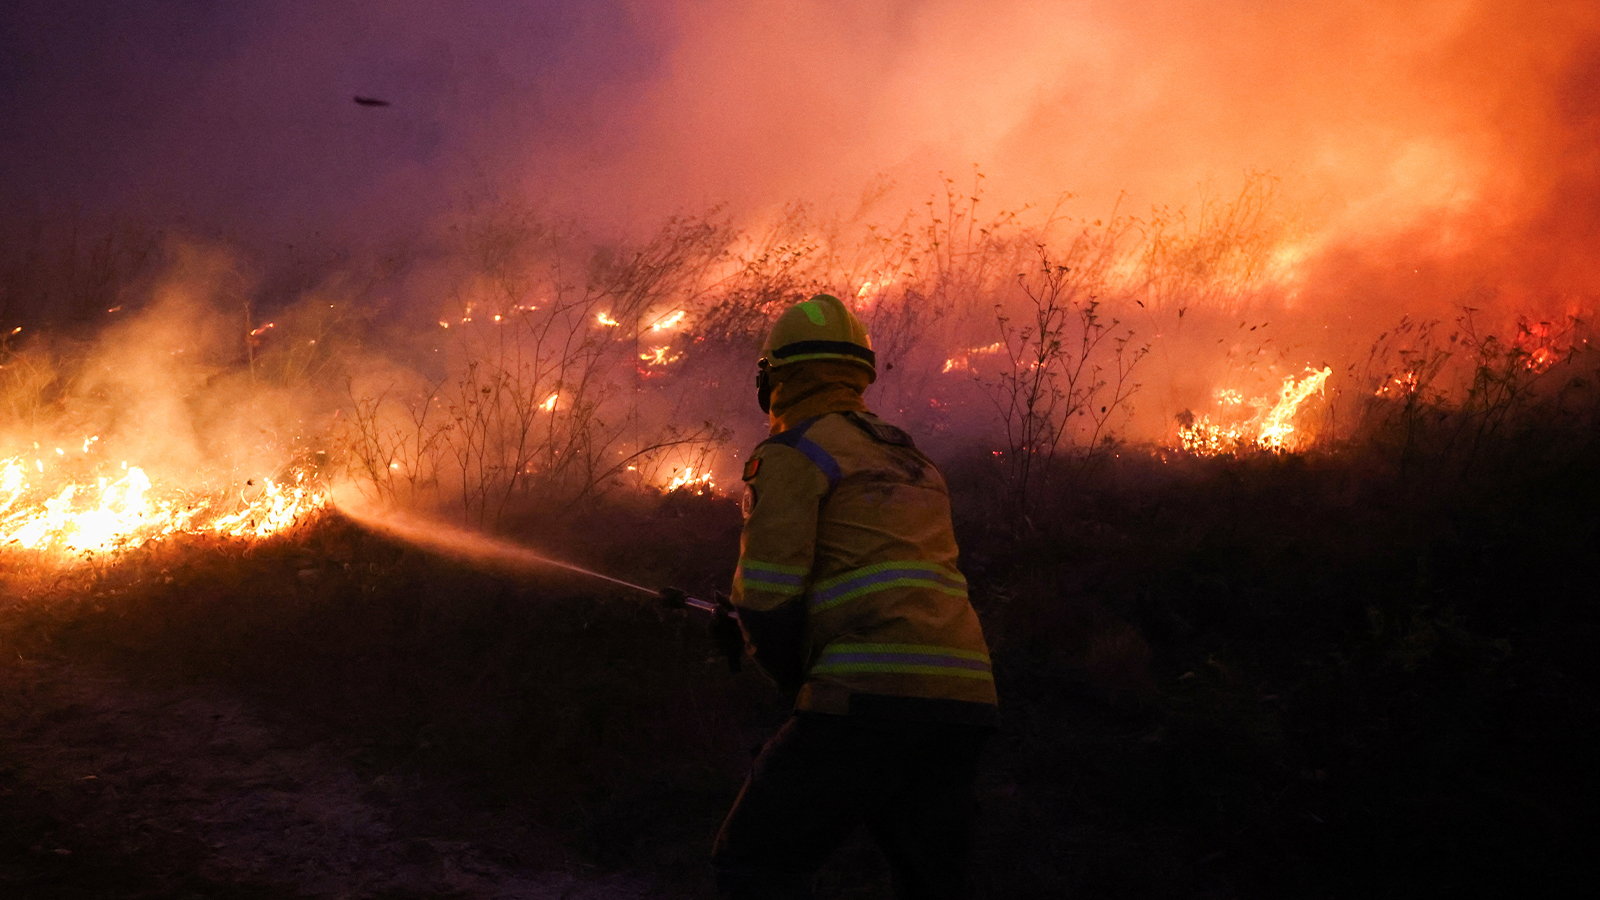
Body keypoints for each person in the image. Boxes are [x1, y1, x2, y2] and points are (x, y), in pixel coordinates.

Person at [710, 293, 999, 900]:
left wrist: (791, 680)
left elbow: (766, 598)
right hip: (964, 700)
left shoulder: (792, 455)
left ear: (776, 376)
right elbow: (876, 577)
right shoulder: (908, 457)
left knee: (754, 863)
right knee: (932, 883)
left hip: (864, 698)